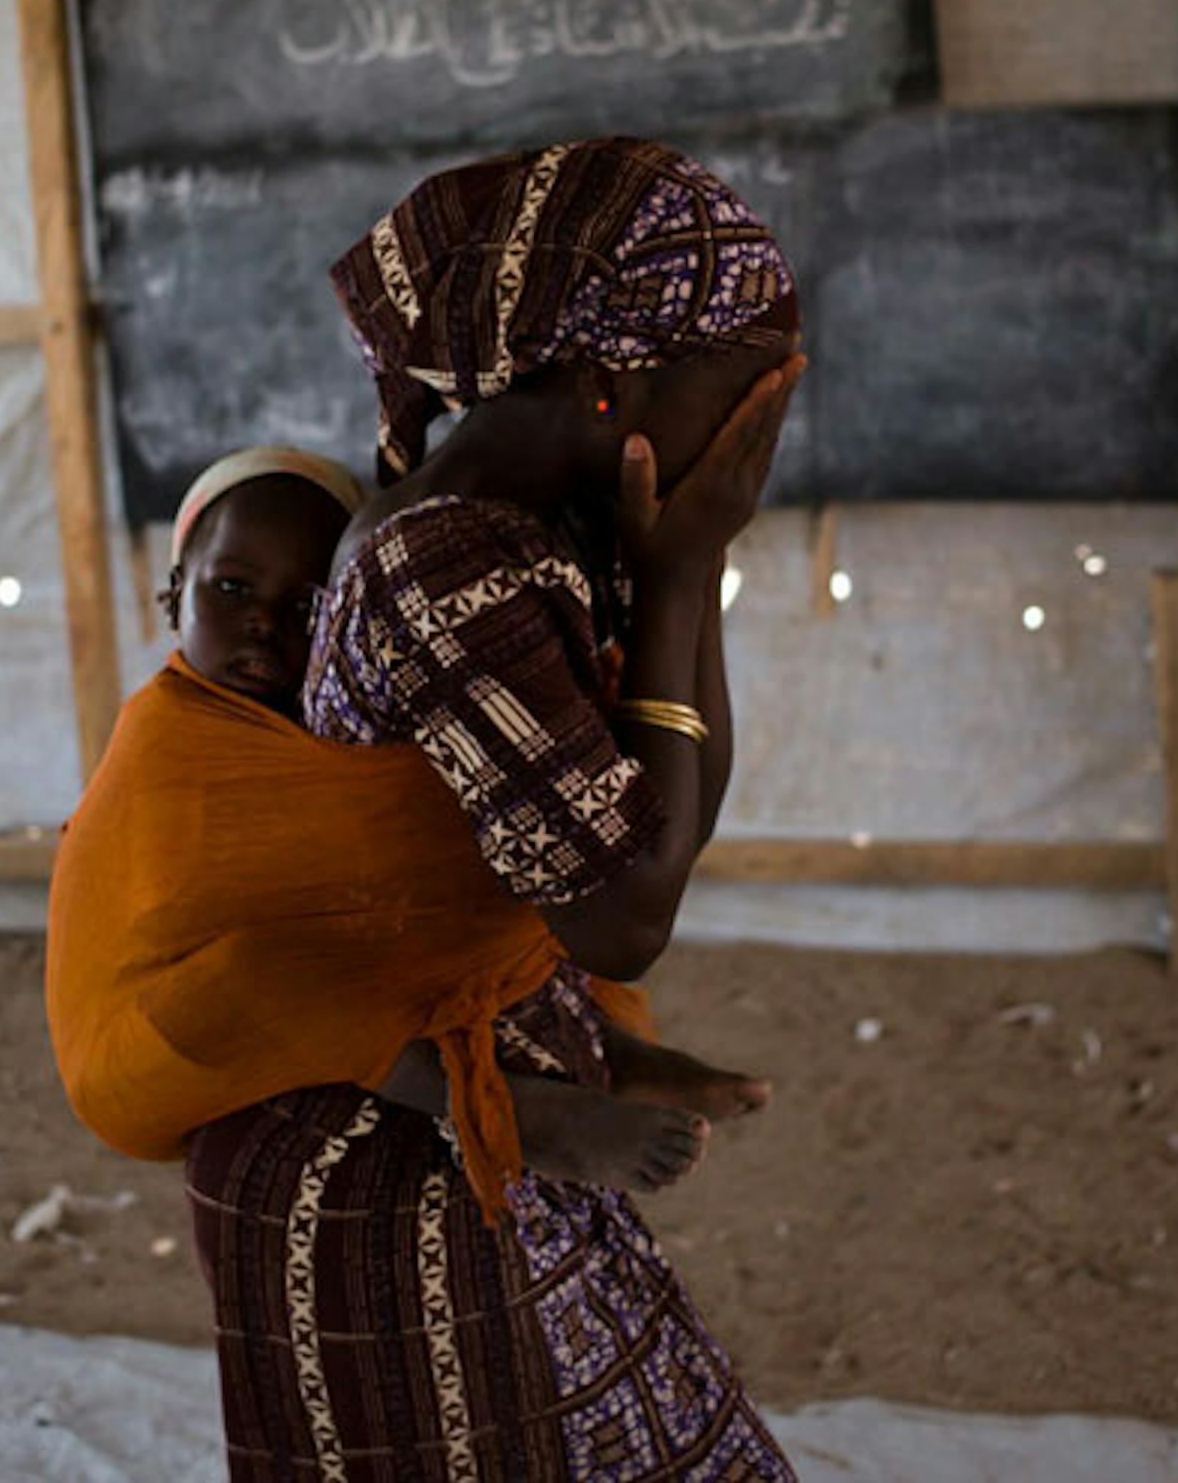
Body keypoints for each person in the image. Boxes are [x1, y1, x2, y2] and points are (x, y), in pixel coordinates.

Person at [185, 136, 806, 1481]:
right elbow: (628, 917)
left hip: (493, 1106)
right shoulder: (442, 562)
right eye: (745, 403)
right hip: (388, 1158)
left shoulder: (534, 537)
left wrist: (676, 569)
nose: (755, 447)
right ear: (609, 378)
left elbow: (666, 826)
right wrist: (689, 571)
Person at [65, 443, 735, 1195]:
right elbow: (179, 915)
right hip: (155, 1034)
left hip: (304, 963)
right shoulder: (164, 734)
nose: (264, 624)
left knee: (505, 859)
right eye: (231, 588)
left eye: (307, 606)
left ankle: (608, 1046)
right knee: (268, 971)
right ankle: (520, 1114)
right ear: (173, 594)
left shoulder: (336, 723)